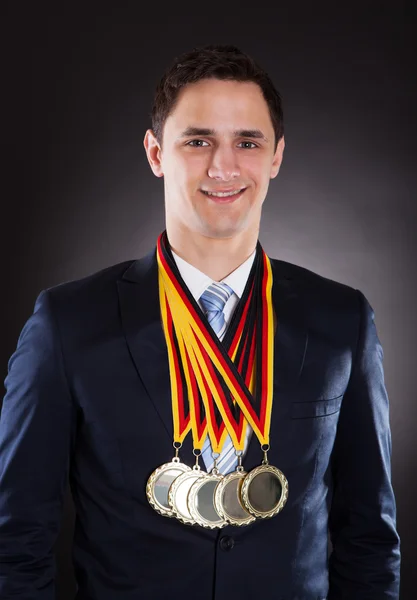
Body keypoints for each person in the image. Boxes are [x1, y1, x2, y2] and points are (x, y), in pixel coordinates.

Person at [0, 44, 400, 600]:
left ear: (277, 156)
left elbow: (371, 542)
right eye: (197, 140)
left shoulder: (342, 321)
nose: (224, 166)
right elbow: (15, 543)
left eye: (248, 142)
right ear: (155, 152)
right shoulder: (67, 325)